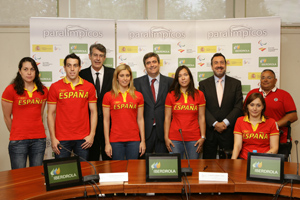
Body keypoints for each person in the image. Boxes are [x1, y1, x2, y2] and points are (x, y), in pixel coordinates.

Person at [47, 53, 97, 161]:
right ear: (64, 67)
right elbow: (50, 114)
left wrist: (92, 134)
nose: (72, 69)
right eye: (69, 65)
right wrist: (53, 138)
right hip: (61, 139)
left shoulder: (89, 87)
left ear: (80, 68)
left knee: (84, 173)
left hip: (83, 139)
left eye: (75, 65)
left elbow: (94, 112)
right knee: (63, 174)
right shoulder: (55, 87)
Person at [1, 57, 48, 169]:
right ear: (20, 71)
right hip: (18, 141)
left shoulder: (43, 90)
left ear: (36, 71)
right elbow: (7, 117)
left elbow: (40, 115)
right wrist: (17, 134)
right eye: (25, 69)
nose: (29, 72)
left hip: (39, 140)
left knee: (35, 176)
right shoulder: (10, 90)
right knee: (19, 177)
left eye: (32, 69)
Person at [199, 53, 243, 159]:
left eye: (221, 62)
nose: (219, 65)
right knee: (208, 165)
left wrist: (225, 123)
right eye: (216, 63)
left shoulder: (236, 83)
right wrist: (214, 124)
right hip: (210, 131)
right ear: (212, 66)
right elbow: (202, 107)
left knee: (229, 166)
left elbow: (238, 106)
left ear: (225, 65)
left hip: (228, 130)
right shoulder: (203, 84)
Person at [245, 69, 297, 154]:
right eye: (263, 78)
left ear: (275, 80)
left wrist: (274, 125)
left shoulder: (284, 95)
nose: (265, 80)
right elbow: (245, 111)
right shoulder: (252, 93)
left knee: (277, 166)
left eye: (269, 77)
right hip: (255, 139)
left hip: (280, 139)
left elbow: (293, 116)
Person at [79, 43, 115, 161]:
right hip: (88, 125)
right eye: (95, 55)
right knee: (91, 159)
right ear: (89, 56)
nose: (98, 58)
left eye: (101, 56)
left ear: (105, 58)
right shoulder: (81, 75)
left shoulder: (114, 74)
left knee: (109, 159)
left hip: (110, 124)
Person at [103, 64, 146, 160]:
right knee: (118, 172)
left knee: (133, 170)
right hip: (115, 140)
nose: (125, 78)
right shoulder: (108, 96)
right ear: (117, 78)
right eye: (121, 75)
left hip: (134, 140)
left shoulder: (138, 95)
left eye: (127, 75)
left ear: (131, 77)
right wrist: (107, 143)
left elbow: (140, 119)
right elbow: (106, 121)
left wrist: (143, 141)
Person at [134, 52, 173, 157]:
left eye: (154, 62)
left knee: (164, 164)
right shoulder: (136, 83)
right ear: (145, 66)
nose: (152, 65)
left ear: (159, 63)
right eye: (148, 63)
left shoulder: (171, 82)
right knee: (142, 166)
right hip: (144, 131)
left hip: (164, 130)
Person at [164, 66, 206, 159]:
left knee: (193, 168)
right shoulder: (171, 95)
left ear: (190, 77)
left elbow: (202, 117)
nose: (183, 78)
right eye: (180, 76)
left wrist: (203, 137)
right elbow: (167, 118)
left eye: (185, 75)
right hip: (174, 139)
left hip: (194, 138)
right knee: (175, 169)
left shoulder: (199, 94)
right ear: (177, 79)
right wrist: (166, 137)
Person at [232, 93, 279, 159]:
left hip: (265, 160)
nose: (254, 108)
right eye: (252, 105)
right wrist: (233, 161)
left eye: (258, 105)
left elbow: (274, 148)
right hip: (244, 159)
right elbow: (237, 146)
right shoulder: (240, 121)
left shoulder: (272, 122)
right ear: (247, 106)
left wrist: (261, 158)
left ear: (263, 107)